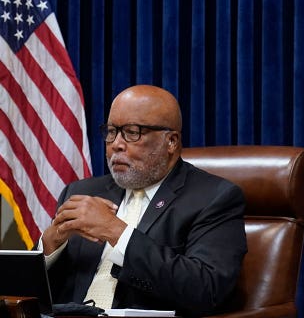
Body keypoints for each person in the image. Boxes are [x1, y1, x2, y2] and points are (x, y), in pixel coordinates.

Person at [38, 85, 247, 317]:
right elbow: (31, 295)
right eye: (111, 131)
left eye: (132, 132)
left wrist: (115, 230)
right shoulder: (82, 191)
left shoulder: (213, 197)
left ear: (171, 142)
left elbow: (206, 289)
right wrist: (49, 247)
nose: (116, 143)